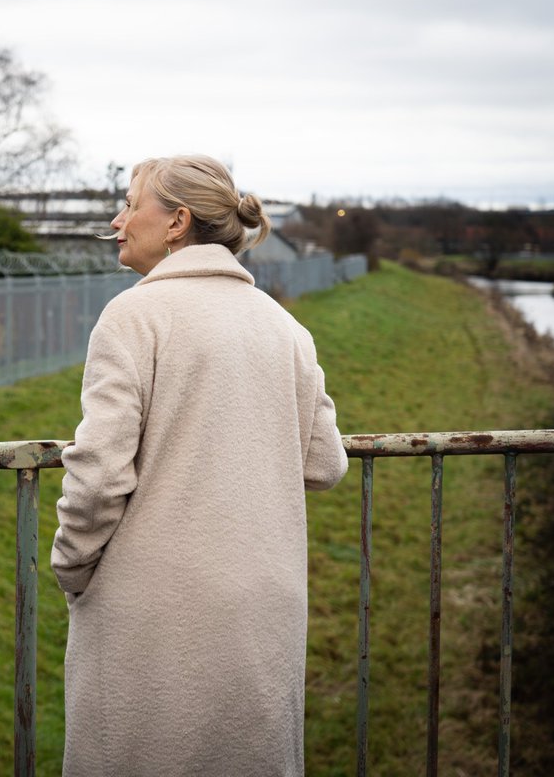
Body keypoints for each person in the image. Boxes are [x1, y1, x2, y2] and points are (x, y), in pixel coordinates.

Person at [50, 155, 348, 775]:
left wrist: (71, 567)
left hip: (153, 615)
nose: (118, 218)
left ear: (177, 221)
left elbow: (100, 474)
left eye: (132, 204)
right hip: (265, 608)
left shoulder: (132, 316)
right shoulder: (285, 327)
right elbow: (325, 463)